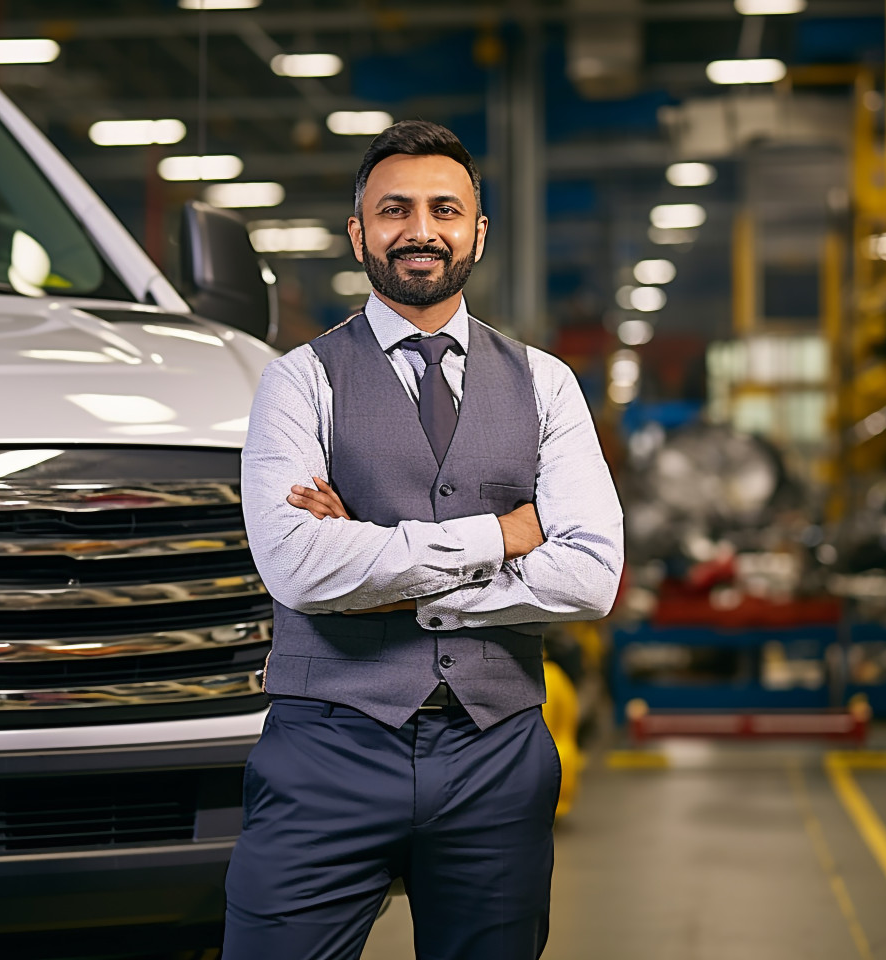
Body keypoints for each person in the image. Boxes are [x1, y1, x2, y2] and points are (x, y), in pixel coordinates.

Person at [223, 120, 623, 960]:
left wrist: (373, 561)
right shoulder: (298, 380)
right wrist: (505, 534)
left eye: (446, 209)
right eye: (395, 209)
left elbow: (590, 575)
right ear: (359, 232)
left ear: (477, 232)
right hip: (326, 749)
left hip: (497, 754)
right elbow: (297, 566)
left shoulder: (547, 384)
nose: (421, 229)